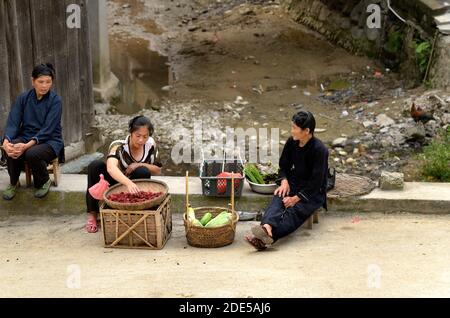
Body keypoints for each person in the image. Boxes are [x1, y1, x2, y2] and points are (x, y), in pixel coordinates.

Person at [245, 110, 329, 250]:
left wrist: (295, 199)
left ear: (306, 131)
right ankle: (266, 227)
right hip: (295, 181)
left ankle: (266, 237)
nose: (292, 131)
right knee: (279, 196)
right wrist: (284, 181)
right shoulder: (292, 142)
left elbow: (317, 182)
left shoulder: (320, 150)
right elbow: (284, 165)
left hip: (313, 192)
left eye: (294, 128)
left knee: (294, 211)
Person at [85, 115, 162, 233]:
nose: (141, 140)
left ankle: (135, 212)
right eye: (138, 136)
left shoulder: (150, 145)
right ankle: (93, 215)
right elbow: (111, 168)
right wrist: (128, 183)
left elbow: (157, 169)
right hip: (116, 182)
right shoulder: (118, 146)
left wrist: (139, 165)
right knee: (95, 166)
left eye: (145, 136)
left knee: (143, 170)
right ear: (131, 133)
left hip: (136, 187)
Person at [2, 63, 64, 200]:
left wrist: (26, 146)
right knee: (12, 147)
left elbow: (48, 129)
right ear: (33, 81)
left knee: (32, 153)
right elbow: (13, 122)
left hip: (50, 140)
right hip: (26, 136)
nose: (44, 86)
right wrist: (6, 142)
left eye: (48, 82)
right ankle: (13, 182)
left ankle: (44, 181)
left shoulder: (55, 101)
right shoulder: (23, 98)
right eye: (40, 82)